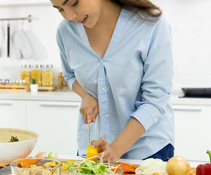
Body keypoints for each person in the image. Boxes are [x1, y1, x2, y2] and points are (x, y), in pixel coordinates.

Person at [52, 0, 174, 163]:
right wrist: (86, 95)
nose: (70, 16)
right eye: (60, 9)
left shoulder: (150, 24)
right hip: (95, 151)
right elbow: (69, 75)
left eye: (74, 3)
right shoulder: (66, 32)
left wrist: (115, 149)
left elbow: (155, 101)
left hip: (147, 153)